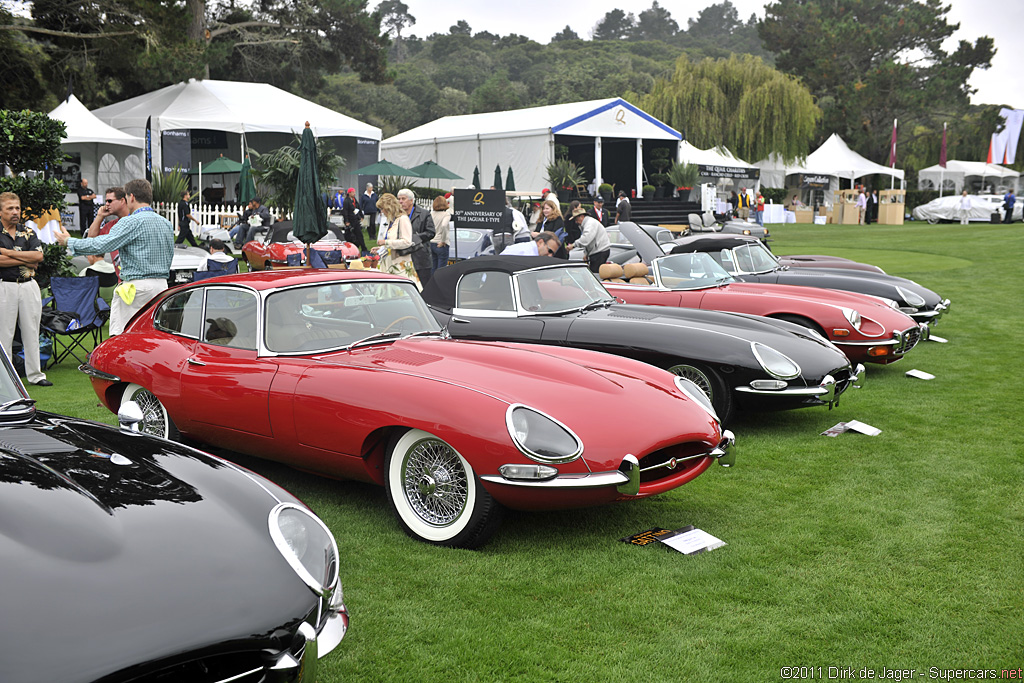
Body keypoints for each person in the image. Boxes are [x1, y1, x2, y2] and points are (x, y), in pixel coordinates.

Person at [55, 178, 173, 336]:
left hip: (135, 289)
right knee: (153, 339)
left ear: (131, 197)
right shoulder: (166, 223)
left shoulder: (129, 222)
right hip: (162, 288)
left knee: (122, 339)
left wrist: (69, 241)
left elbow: (100, 245)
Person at [0, 191, 50, 386]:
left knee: (31, 331)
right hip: (6, 287)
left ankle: (36, 375)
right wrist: (25, 257)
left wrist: (6, 252)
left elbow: (38, 257)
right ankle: (6, 380)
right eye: (10, 208)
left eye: (17, 208)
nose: (15, 212)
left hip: (29, 286)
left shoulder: (28, 232)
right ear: (1, 211)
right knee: (4, 333)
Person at [376, 192, 419, 286]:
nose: (382, 211)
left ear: (389, 208)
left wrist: (386, 242)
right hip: (388, 264)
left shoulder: (403, 219)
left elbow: (407, 242)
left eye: (383, 209)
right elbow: (391, 242)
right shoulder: (392, 220)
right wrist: (380, 248)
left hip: (399, 265)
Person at [88, 186, 129, 278]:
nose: (106, 204)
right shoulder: (112, 225)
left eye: (110, 201)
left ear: (122, 201)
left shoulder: (135, 220)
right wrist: (100, 216)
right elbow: (91, 239)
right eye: (106, 201)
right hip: (121, 282)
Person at [397, 188, 435, 285]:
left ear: (411, 200)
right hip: (403, 256)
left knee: (423, 286)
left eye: (403, 199)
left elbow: (431, 232)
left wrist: (415, 238)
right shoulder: (397, 215)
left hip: (420, 256)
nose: (400, 201)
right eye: (399, 199)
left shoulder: (424, 214)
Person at [568, 205, 610, 272]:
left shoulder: (590, 223)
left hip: (600, 251)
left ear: (582, 216)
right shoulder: (587, 223)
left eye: (576, 219)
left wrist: (573, 245)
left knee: (595, 274)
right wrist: (586, 253)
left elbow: (586, 239)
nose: (576, 221)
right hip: (598, 250)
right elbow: (588, 240)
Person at [429, 195, 451, 272]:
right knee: (441, 269)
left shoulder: (431, 214)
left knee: (433, 267)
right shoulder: (446, 215)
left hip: (431, 242)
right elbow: (444, 225)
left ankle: (432, 283)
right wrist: (443, 240)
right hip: (441, 243)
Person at [342, 187, 367, 254]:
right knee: (353, 235)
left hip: (356, 219)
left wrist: (361, 216)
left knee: (359, 234)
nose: (354, 193)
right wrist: (346, 221)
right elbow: (345, 211)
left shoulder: (354, 200)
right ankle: (355, 248)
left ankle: (363, 248)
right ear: (349, 193)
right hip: (350, 220)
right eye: (353, 192)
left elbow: (358, 208)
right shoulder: (346, 201)